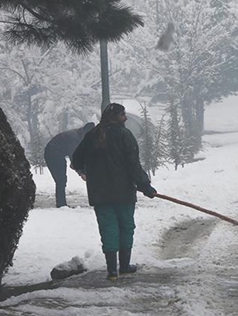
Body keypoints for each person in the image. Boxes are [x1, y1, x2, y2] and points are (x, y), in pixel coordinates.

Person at [71, 103, 156, 281]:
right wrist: (144, 185)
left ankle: (112, 271)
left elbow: (76, 159)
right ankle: (124, 266)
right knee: (126, 227)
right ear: (117, 117)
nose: (125, 118)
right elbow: (133, 164)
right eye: (123, 115)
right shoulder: (125, 135)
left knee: (108, 229)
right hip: (123, 192)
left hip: (99, 194)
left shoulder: (91, 135)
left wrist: (85, 171)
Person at [44, 122, 95, 207]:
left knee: (61, 180)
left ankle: (61, 203)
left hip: (58, 153)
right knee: (61, 179)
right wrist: (82, 173)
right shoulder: (74, 139)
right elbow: (75, 157)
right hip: (52, 153)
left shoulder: (79, 135)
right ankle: (61, 204)